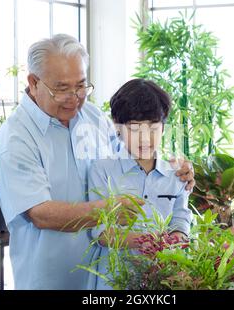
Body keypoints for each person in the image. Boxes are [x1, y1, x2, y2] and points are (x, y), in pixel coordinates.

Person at [0, 34, 195, 289]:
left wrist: (178, 171)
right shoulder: (14, 141)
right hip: (52, 279)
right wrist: (110, 211)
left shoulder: (92, 116)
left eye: (81, 86)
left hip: (106, 279)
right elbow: (40, 214)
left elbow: (132, 156)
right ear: (34, 83)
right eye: (62, 88)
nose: (75, 97)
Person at [86, 78, 193, 290]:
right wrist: (149, 241)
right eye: (134, 129)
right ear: (118, 128)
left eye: (153, 128)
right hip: (113, 281)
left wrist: (178, 237)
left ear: (163, 128)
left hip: (163, 280)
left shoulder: (176, 173)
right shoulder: (102, 170)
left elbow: (180, 216)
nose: (145, 138)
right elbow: (101, 233)